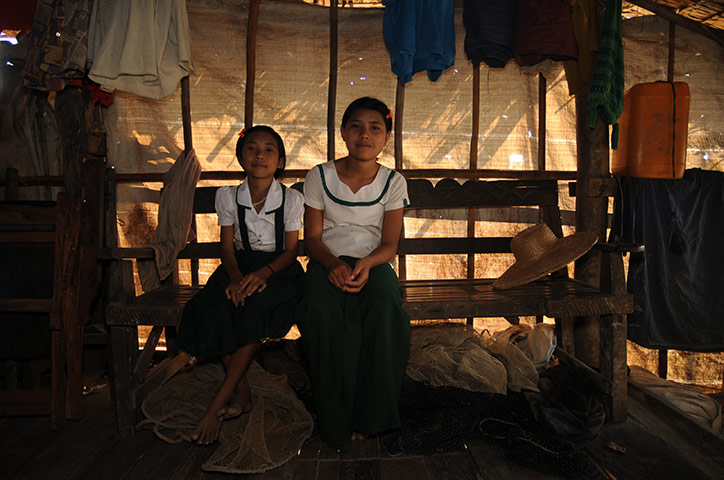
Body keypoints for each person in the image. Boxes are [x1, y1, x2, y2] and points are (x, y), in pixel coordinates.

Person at [176, 125, 304, 445]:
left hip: (277, 271)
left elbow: (291, 252)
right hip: (237, 266)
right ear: (240, 157)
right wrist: (234, 277)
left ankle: (217, 403)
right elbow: (227, 248)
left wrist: (263, 275)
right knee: (212, 306)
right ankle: (242, 390)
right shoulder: (229, 196)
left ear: (280, 161)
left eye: (269, 149)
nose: (260, 154)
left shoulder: (291, 199)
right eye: (251, 148)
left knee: (253, 308)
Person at [296, 96, 410, 451]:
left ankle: (372, 418)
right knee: (320, 310)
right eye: (357, 126)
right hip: (327, 260)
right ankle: (336, 420)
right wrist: (332, 265)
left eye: (376, 127)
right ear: (343, 133)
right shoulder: (319, 175)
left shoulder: (393, 181)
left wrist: (365, 264)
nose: (365, 134)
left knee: (385, 305)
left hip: (373, 262)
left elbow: (390, 244)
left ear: (385, 138)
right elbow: (311, 239)